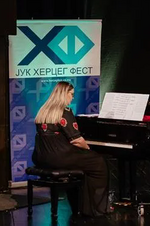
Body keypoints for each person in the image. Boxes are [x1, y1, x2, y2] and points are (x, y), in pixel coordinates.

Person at [32, 82, 109, 217]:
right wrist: (88, 149)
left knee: (83, 164)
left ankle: (78, 205)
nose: (72, 98)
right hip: (61, 158)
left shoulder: (43, 111)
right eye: (71, 94)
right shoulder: (65, 112)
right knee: (98, 162)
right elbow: (76, 140)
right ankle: (95, 208)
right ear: (64, 94)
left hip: (41, 158)